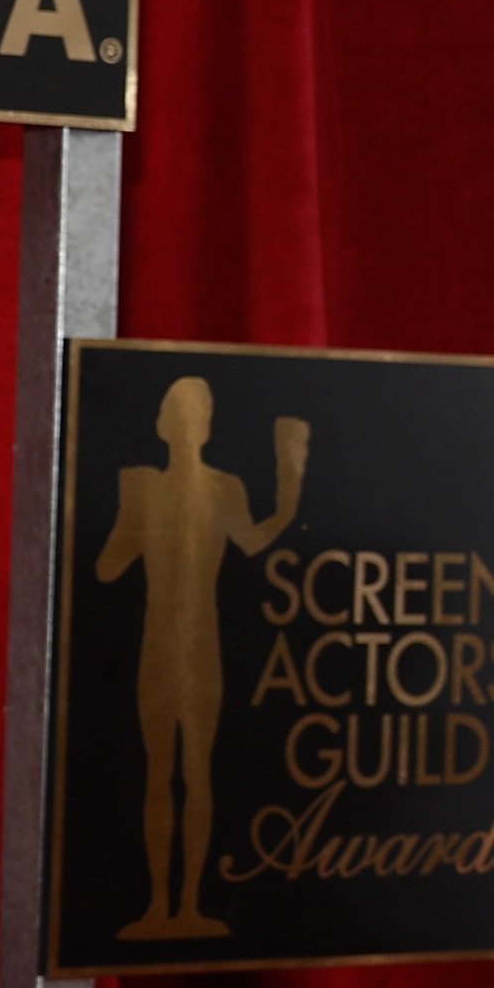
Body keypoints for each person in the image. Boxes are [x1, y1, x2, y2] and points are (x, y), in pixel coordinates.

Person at [96, 374, 308, 939]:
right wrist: (122, 513)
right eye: (183, 413)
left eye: (194, 414)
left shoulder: (222, 490)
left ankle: (183, 906)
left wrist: (289, 492)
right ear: (167, 425)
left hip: (197, 648)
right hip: (160, 648)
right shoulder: (145, 488)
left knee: (190, 773)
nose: (189, 424)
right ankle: (162, 906)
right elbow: (109, 566)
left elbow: (253, 542)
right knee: (166, 774)